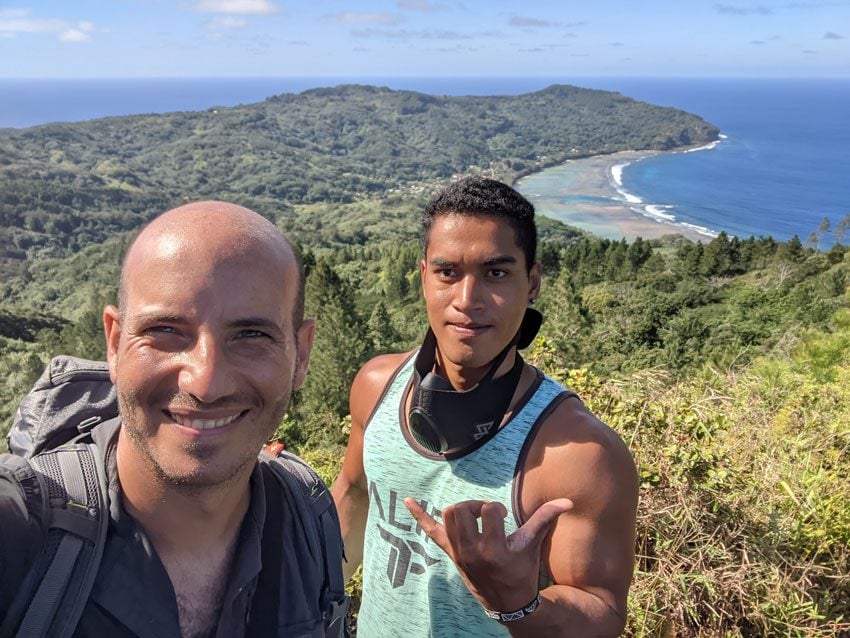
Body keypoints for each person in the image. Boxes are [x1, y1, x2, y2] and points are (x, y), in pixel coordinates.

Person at [0, 202, 346, 637]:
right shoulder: (20, 532)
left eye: (251, 335)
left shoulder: (306, 514)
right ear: (114, 343)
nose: (206, 383)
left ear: (302, 355)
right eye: (165, 331)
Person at [332, 177, 639, 636]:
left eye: (496, 273)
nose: (467, 301)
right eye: (447, 272)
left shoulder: (578, 453)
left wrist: (518, 604)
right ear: (423, 277)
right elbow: (355, 496)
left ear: (532, 283)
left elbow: (603, 615)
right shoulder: (375, 387)